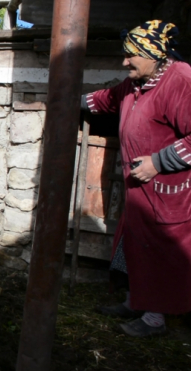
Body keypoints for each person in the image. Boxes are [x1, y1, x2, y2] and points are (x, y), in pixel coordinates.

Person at [81, 20, 191, 337]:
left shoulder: (181, 81)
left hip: (168, 191)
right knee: (135, 248)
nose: (124, 61)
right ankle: (135, 301)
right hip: (140, 192)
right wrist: (69, 99)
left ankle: (155, 320)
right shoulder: (136, 84)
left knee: (160, 252)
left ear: (154, 54)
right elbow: (107, 99)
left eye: (132, 55)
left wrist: (159, 162)